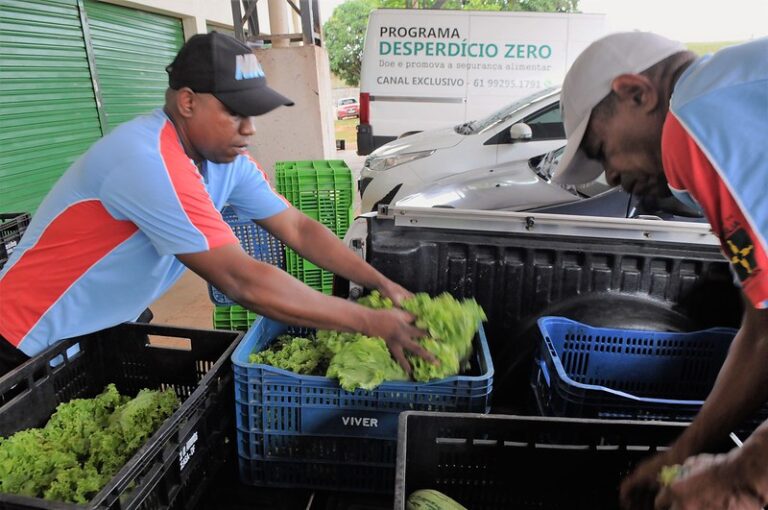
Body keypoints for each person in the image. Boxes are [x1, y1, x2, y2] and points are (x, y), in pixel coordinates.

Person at [0, 32, 435, 378]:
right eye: (236, 113)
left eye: (253, 115)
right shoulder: (146, 160)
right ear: (188, 102)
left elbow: (298, 228)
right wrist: (368, 321)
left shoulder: (226, 160)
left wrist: (380, 283)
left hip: (99, 326)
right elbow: (241, 280)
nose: (249, 130)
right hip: (24, 337)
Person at [553, 32, 768, 509]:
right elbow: (761, 331)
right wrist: (686, 450)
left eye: (600, 148)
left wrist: (743, 475)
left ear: (638, 92)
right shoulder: (724, 105)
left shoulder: (696, 120)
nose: (608, 175)